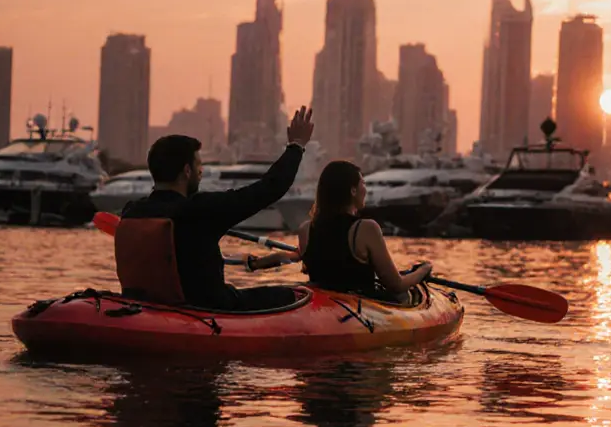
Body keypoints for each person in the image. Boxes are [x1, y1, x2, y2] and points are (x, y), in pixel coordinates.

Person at [115, 106, 314, 310]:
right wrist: (296, 146)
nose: (201, 173)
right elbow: (268, 189)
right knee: (287, 295)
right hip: (208, 308)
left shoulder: (132, 211)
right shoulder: (199, 210)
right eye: (198, 166)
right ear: (187, 170)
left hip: (151, 305)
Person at [247, 159, 433, 300]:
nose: (365, 189)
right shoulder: (366, 228)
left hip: (319, 302)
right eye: (363, 183)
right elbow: (396, 285)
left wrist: (256, 263)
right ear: (353, 190)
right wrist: (423, 271)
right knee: (407, 296)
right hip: (357, 308)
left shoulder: (307, 229)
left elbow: (294, 256)